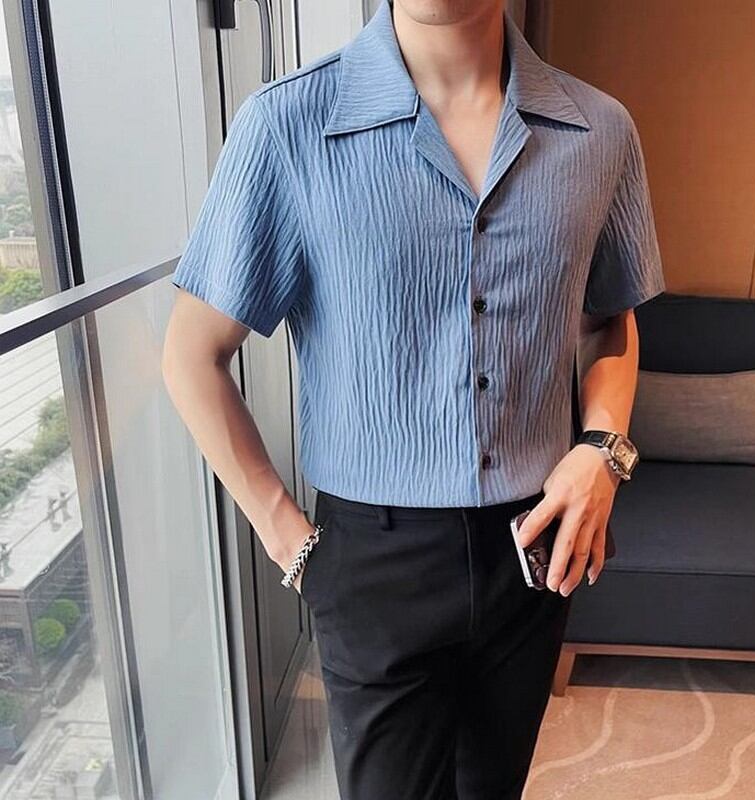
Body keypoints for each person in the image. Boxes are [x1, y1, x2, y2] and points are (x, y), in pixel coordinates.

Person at [162, 0, 666, 797]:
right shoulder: (287, 127)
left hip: (534, 546)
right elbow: (192, 355)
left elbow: (608, 319)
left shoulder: (600, 133)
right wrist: (292, 544)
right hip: (372, 560)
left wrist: (603, 449)